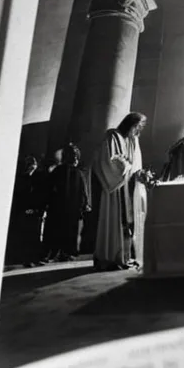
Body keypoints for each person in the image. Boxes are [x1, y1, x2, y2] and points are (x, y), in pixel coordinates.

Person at [94, 112, 149, 271]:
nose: (138, 130)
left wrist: (139, 173)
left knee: (128, 222)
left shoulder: (133, 140)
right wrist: (127, 167)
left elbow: (136, 162)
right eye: (137, 126)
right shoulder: (113, 135)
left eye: (141, 127)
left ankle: (124, 256)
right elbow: (109, 159)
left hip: (128, 185)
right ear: (129, 124)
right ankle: (110, 256)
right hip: (116, 187)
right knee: (116, 220)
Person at [42, 143, 91, 261]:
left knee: (56, 229)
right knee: (68, 230)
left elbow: (48, 189)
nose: (75, 159)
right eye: (74, 156)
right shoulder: (77, 173)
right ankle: (65, 252)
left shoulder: (58, 171)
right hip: (69, 208)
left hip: (59, 208)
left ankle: (53, 252)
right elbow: (83, 192)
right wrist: (84, 205)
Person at [6, 155, 45, 266]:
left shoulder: (35, 179)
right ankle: (26, 259)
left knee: (34, 236)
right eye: (30, 167)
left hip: (33, 210)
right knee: (25, 236)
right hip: (23, 211)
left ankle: (34, 258)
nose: (32, 170)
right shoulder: (21, 179)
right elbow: (20, 197)